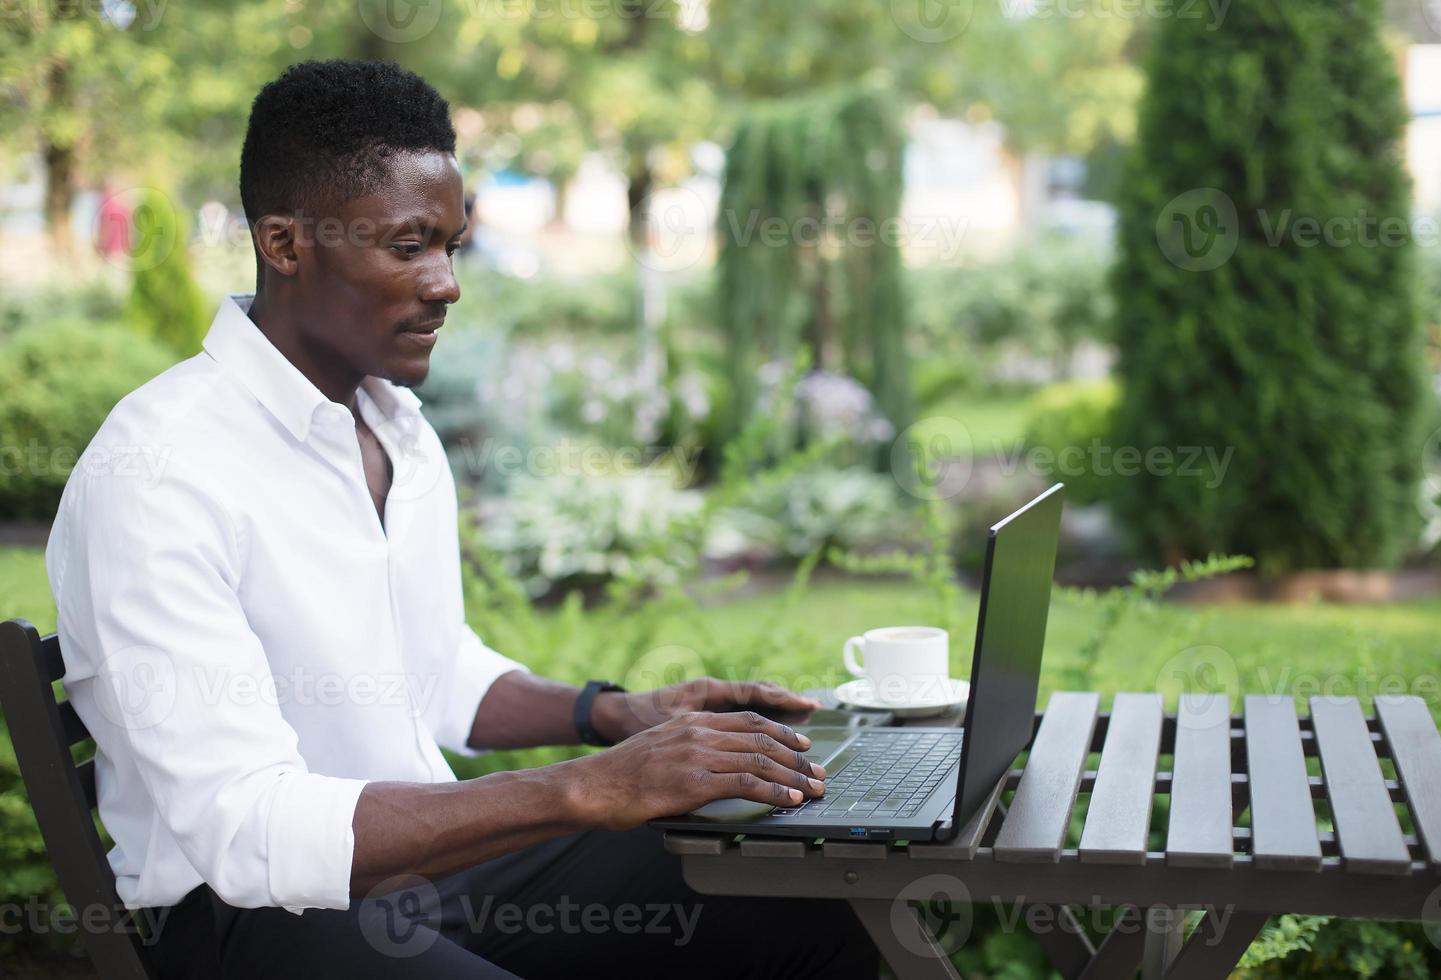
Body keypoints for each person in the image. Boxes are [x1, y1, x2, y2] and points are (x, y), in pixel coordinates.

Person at [45, 60, 877, 980]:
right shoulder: (160, 471)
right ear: (285, 244)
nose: (446, 283)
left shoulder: (392, 428)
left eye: (452, 244)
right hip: (252, 921)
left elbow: (435, 672)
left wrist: (615, 716)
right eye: (408, 247)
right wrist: (588, 788)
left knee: (804, 883)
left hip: (422, 882)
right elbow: (249, 834)